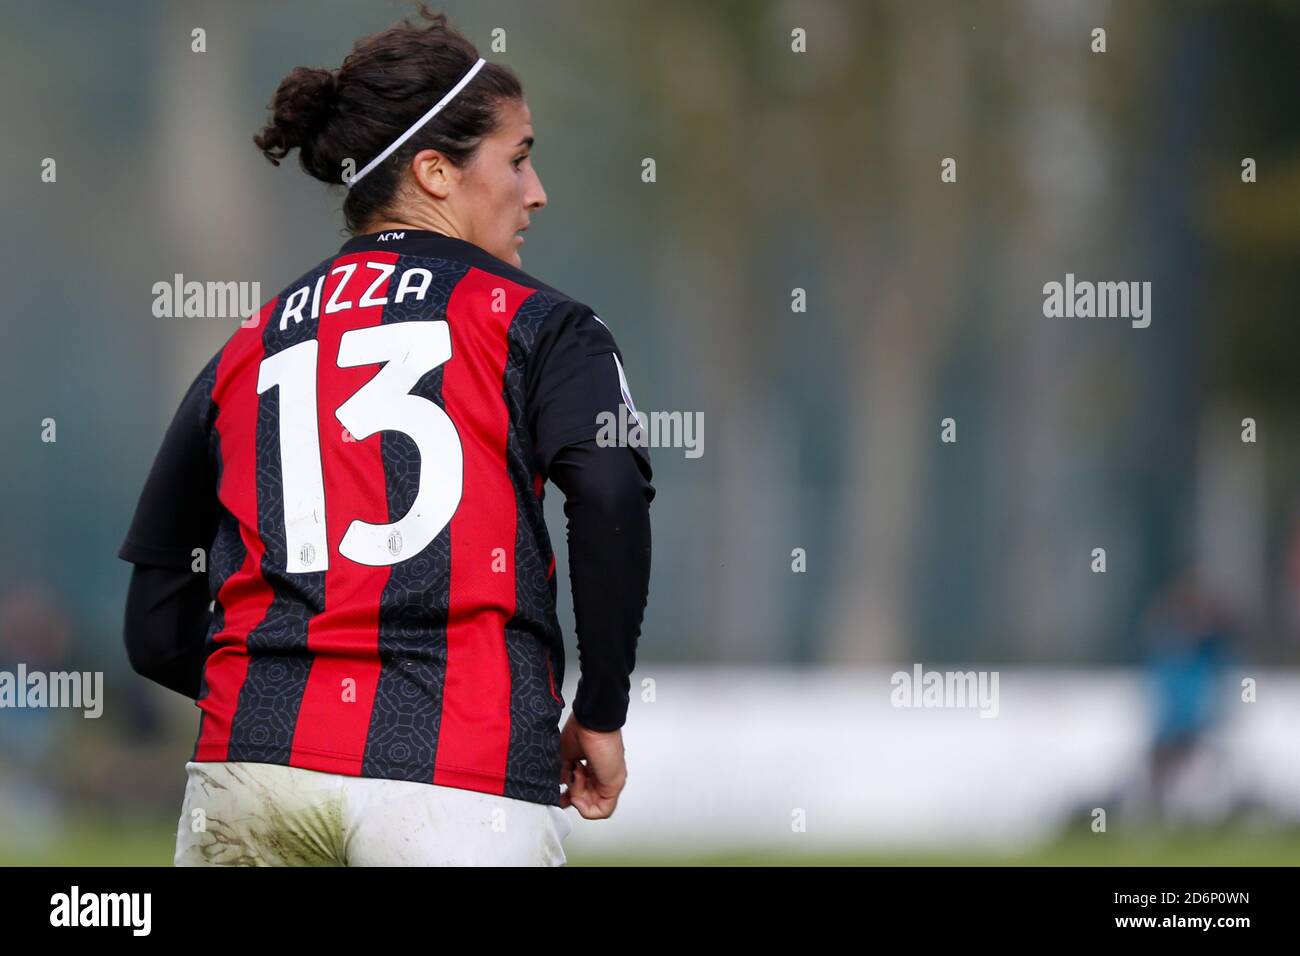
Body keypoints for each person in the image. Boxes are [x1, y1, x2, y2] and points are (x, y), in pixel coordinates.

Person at [117, 7, 654, 866]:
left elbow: (153, 625)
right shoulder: (545, 326)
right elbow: (611, 494)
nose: (536, 190)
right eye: (517, 158)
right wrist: (601, 711)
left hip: (250, 772)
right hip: (460, 782)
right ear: (436, 171)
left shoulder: (245, 346)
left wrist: (268, 692)